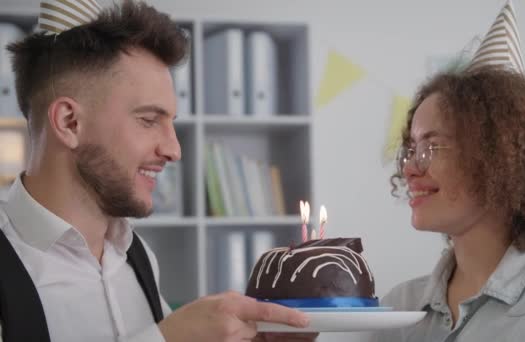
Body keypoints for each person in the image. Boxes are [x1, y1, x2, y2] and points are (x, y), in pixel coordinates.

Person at [0, 0, 310, 341]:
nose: (174, 150)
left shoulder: (137, 255)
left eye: (171, 124)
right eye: (149, 120)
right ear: (69, 122)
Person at [374, 63, 525, 341]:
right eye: (411, 149)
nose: (409, 169)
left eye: (431, 147)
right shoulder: (399, 308)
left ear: (500, 159)